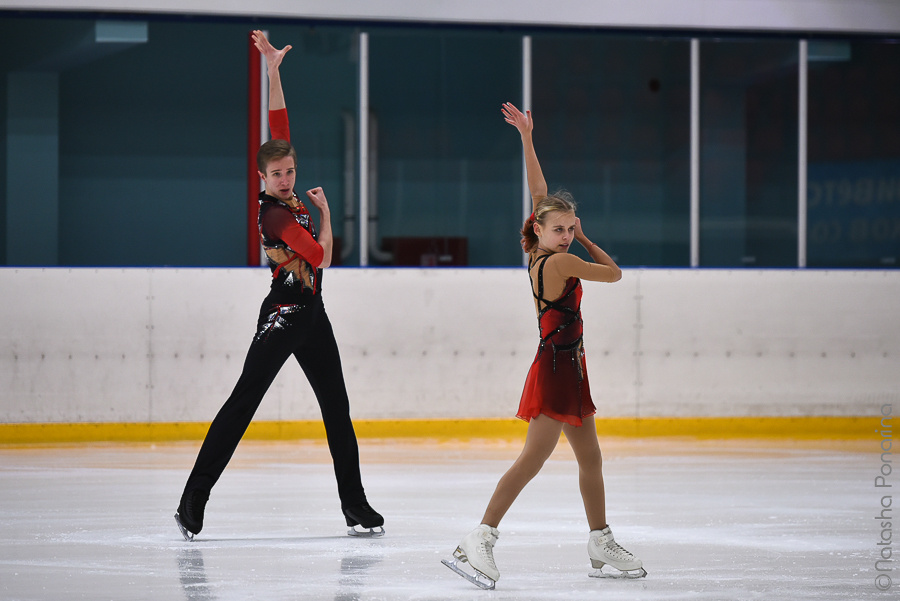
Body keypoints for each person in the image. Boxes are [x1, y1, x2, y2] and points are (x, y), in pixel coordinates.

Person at [174, 30, 384, 541]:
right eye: (278, 173)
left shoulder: (286, 190)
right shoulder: (274, 217)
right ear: (262, 177)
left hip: (314, 316)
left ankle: (355, 506)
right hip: (283, 315)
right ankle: (191, 501)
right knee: (243, 403)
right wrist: (328, 213)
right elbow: (323, 256)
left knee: (338, 410)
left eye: (290, 171)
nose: (286, 178)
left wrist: (273, 70)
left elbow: (278, 125)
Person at [442, 102, 645, 589]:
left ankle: (600, 537)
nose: (568, 235)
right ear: (540, 230)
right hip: (556, 370)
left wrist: (527, 140)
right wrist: (589, 240)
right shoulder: (559, 262)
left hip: (569, 367)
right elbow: (615, 274)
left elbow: (538, 192)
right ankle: (480, 536)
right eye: (561, 229)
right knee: (533, 459)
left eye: (571, 228)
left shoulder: (536, 249)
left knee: (590, 458)